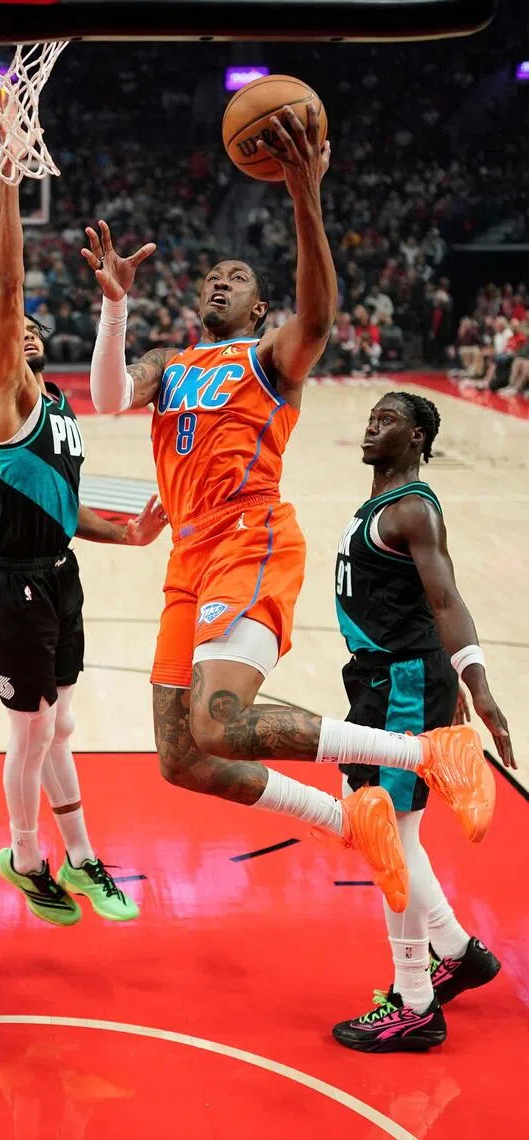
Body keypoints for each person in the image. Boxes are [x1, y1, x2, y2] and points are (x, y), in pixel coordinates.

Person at [84, 104, 499, 915]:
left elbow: (319, 317)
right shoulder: (170, 363)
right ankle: (349, 817)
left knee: (220, 719)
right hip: (189, 558)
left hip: (252, 538)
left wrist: (306, 197)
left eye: (237, 278)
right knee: (181, 755)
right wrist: (114, 307)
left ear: (257, 311)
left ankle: (427, 752)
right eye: (213, 274)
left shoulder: (271, 357)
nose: (219, 279)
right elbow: (104, 398)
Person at [0, 138, 170, 927]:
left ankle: (83, 858)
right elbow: (7, 284)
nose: (20, 334)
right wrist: (11, 179)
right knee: (34, 727)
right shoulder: (7, 399)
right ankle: (26, 859)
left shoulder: (59, 409)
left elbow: (62, 506)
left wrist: (128, 536)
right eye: (8, 332)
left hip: (57, 570)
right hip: (10, 578)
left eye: (28, 331)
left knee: (64, 723)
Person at [329, 393, 512, 1053]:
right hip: (387, 681)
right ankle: (457, 951)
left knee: (387, 837)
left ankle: (414, 1003)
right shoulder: (383, 505)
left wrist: (477, 684)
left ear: (418, 437)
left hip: (403, 686)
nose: (372, 423)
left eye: (388, 418)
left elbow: (446, 596)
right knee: (373, 822)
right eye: (370, 414)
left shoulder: (411, 508)